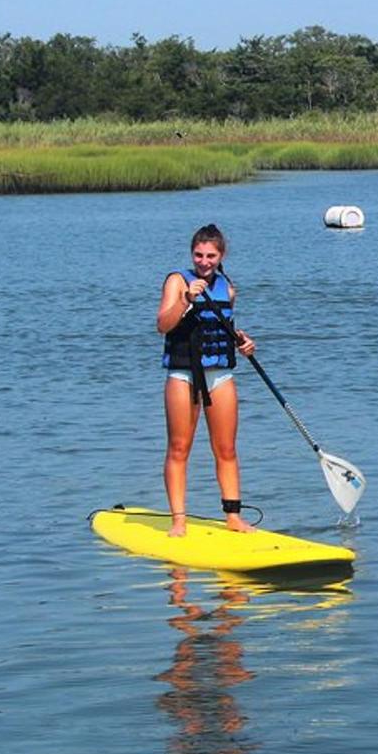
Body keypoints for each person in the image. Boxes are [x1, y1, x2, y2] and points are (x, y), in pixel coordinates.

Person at [157, 223, 257, 538]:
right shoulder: (177, 281)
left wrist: (243, 341)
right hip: (184, 374)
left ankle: (233, 518)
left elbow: (226, 328)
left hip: (220, 375)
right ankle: (178, 521)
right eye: (198, 255)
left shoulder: (227, 288)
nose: (204, 261)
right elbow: (163, 324)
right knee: (179, 447)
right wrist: (186, 299)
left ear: (220, 255)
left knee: (226, 449)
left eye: (210, 256)